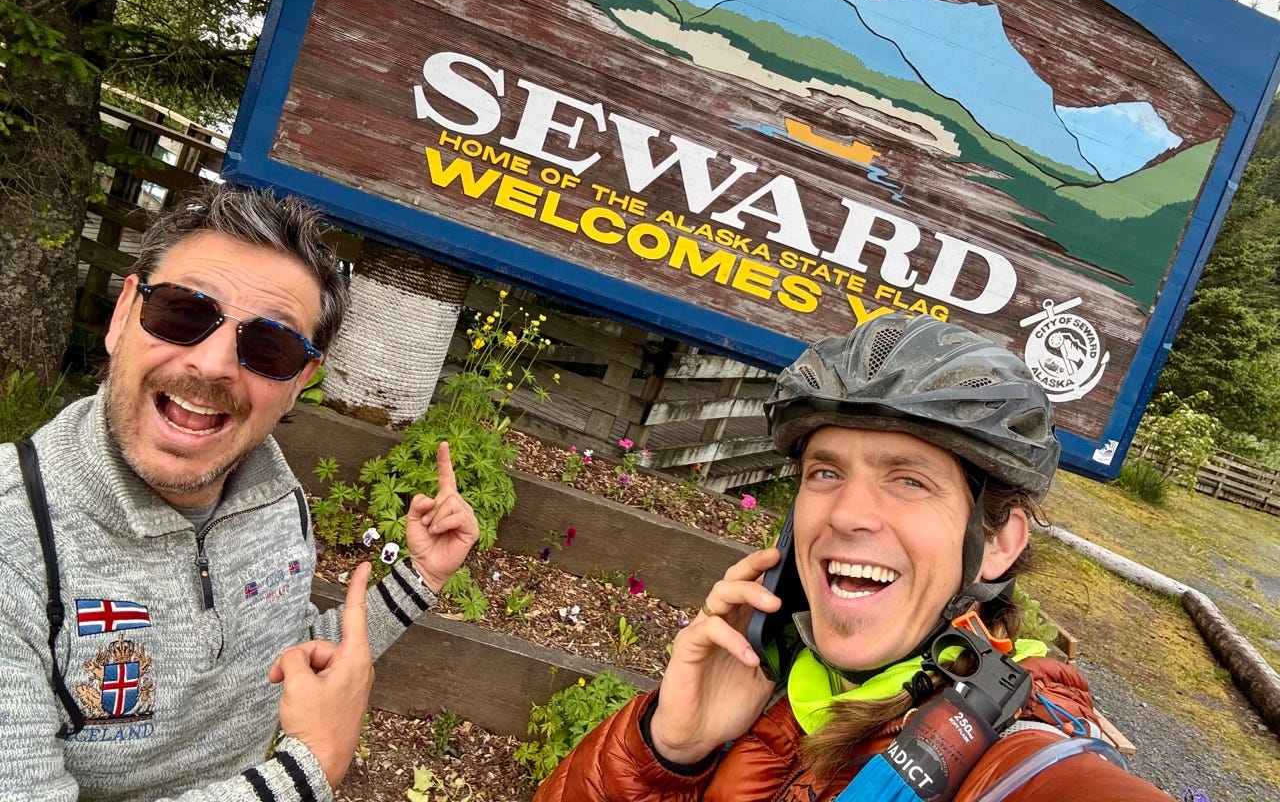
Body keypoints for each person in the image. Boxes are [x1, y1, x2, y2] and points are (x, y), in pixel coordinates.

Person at [535, 313, 1170, 801]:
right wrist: (667, 751)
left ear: (997, 543)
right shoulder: (774, 695)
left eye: (909, 479)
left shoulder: (1013, 755)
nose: (845, 514)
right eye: (825, 472)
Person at [0, 186, 479, 802]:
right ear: (123, 316)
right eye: (182, 312)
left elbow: (274, 658)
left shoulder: (278, 501)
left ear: (300, 381)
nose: (213, 363)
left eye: (269, 346)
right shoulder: (15, 540)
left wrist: (419, 581)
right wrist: (306, 774)